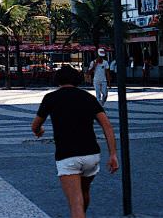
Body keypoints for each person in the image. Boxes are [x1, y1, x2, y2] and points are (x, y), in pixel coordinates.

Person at [31, 66, 118, 218]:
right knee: (84, 192)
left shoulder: (50, 98)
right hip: (91, 154)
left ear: (57, 79)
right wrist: (113, 155)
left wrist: (39, 131)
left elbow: (35, 125)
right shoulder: (88, 97)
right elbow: (107, 126)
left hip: (67, 155)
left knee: (75, 203)